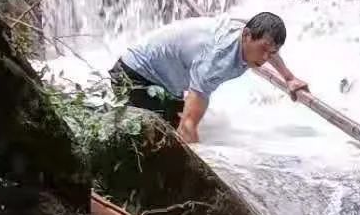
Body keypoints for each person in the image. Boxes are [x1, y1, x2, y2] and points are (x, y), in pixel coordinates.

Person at [109, 11, 309, 144]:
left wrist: (289, 78)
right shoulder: (217, 60)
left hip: (162, 81)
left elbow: (270, 50)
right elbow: (188, 127)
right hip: (134, 77)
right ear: (246, 35)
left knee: (169, 133)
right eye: (263, 50)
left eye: (271, 52)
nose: (266, 58)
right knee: (156, 142)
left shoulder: (244, 30)